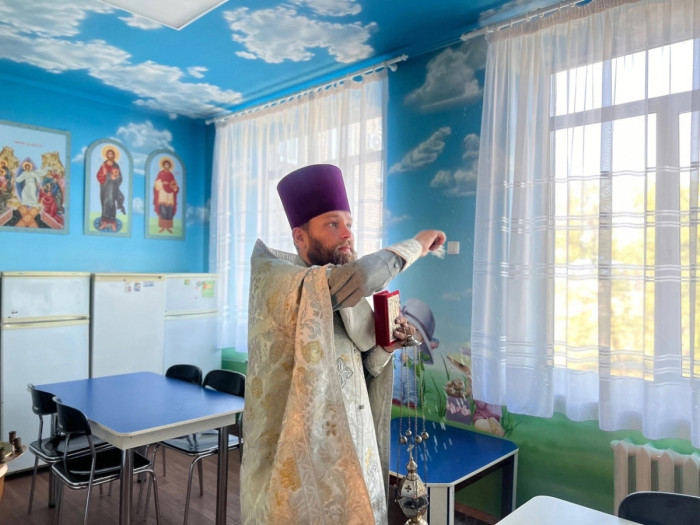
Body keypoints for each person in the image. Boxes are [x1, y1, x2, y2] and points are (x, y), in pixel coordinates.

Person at [240, 163, 446, 524]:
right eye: (333, 224)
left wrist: (386, 348)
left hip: (353, 451)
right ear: (300, 236)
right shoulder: (282, 280)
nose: (347, 233)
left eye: (349, 223)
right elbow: (362, 276)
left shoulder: (331, 285)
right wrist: (418, 244)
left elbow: (360, 371)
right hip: (299, 462)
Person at [96, 146, 126, 231]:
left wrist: (115, 178)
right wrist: (107, 175)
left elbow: (120, 178)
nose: (110, 155)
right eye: (108, 154)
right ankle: (104, 222)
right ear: (106, 155)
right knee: (105, 203)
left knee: (111, 203)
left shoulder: (116, 165)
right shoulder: (104, 165)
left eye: (111, 154)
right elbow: (99, 175)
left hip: (113, 187)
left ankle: (113, 222)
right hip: (104, 187)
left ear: (114, 155)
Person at [152, 157, 179, 233]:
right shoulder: (161, 173)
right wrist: (162, 183)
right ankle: (163, 227)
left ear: (169, 166)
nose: (166, 166)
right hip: (163, 193)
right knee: (163, 209)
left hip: (170, 195)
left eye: (168, 165)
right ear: (163, 165)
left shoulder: (171, 174)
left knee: (169, 210)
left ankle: (168, 227)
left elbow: (174, 183)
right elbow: (157, 182)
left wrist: (174, 187)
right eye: (165, 165)